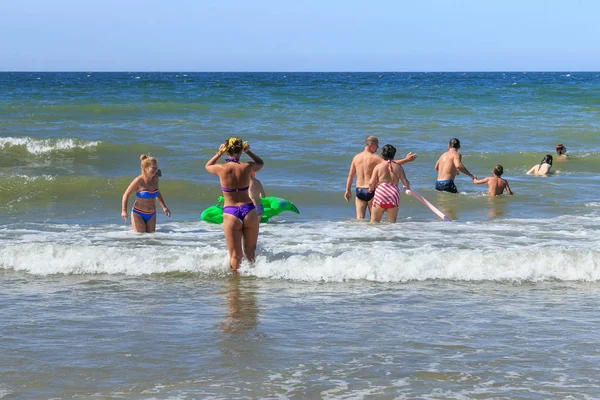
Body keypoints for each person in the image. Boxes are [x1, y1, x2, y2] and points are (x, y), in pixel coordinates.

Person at [205, 138, 264, 273]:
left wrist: (219, 153)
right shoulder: (247, 166)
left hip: (231, 212)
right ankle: (252, 282)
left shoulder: (221, 168)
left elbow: (207, 166)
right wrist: (249, 152)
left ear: (227, 151)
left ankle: (235, 286)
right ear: (240, 150)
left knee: (235, 255)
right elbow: (260, 163)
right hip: (249, 210)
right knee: (250, 252)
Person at [344, 135, 417, 219]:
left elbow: (350, 175)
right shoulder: (375, 157)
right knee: (374, 219)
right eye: (376, 145)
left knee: (359, 218)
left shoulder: (356, 157)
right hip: (370, 189)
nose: (378, 147)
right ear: (371, 145)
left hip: (359, 190)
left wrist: (348, 190)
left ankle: (360, 232)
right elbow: (390, 164)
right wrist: (406, 160)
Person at [121, 154, 171, 233]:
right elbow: (126, 195)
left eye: (156, 167)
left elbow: (157, 193)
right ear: (146, 168)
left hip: (152, 214)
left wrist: (164, 207)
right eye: (153, 167)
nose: (155, 169)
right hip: (138, 213)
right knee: (141, 237)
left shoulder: (155, 179)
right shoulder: (139, 181)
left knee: (150, 238)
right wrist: (124, 211)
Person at [368, 144, 411, 223]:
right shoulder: (398, 167)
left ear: (382, 154)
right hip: (393, 194)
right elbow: (405, 182)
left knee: (374, 222)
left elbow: (371, 183)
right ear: (393, 154)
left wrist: (371, 189)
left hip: (381, 193)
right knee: (391, 223)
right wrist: (407, 188)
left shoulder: (378, 166)